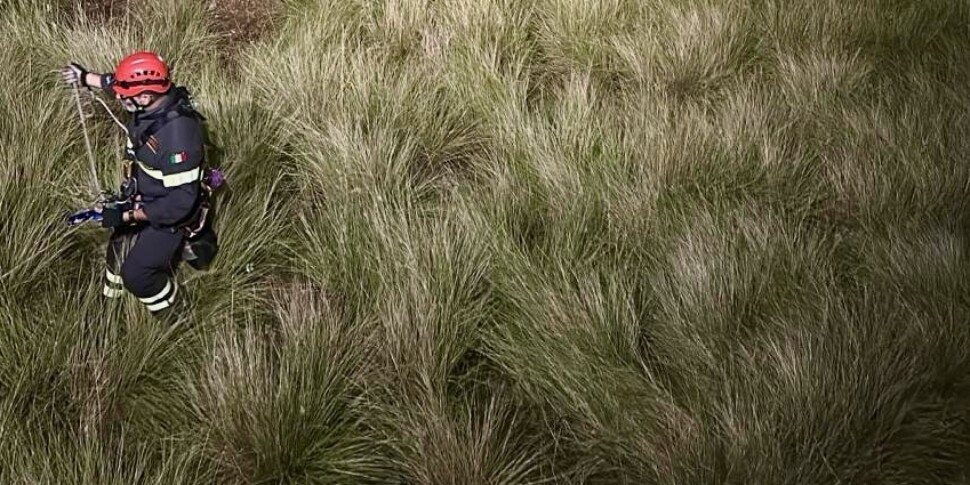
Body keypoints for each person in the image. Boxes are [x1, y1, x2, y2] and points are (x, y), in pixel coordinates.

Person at [62, 51, 206, 325]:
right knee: (118, 244)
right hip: (144, 195)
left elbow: (179, 204)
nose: (118, 98)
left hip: (170, 216)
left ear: (145, 97)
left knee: (137, 274)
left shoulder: (178, 138)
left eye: (124, 96)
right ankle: (109, 304)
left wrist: (128, 215)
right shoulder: (154, 97)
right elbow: (114, 82)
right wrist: (83, 77)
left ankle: (179, 317)